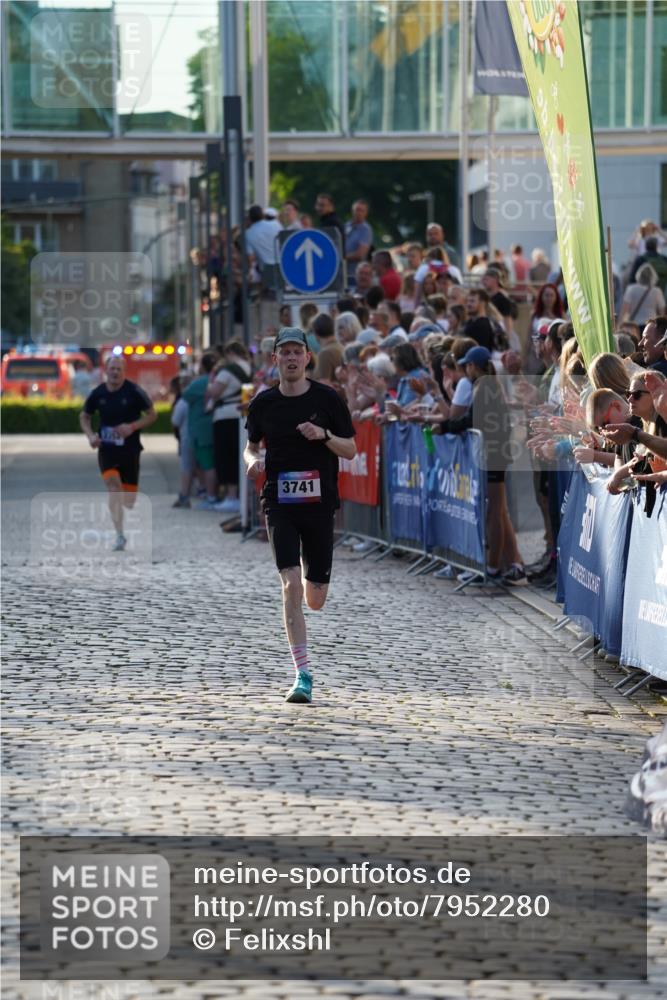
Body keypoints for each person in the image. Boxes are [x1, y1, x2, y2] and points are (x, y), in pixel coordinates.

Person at [244, 327, 356, 704]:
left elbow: (352, 449)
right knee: (290, 582)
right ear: (274, 359)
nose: (291, 358)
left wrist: (323, 435)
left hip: (320, 504)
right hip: (278, 501)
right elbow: (249, 447)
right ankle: (302, 674)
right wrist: (253, 461)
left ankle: (315, 578)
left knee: (316, 598)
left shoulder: (328, 399)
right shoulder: (263, 404)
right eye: (284, 352)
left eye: (297, 352)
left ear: (308, 358)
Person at [80, 354, 157, 551]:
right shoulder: (98, 393)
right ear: (106, 370)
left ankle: (123, 512)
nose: (114, 372)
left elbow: (152, 415)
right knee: (113, 486)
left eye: (118, 369)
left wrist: (132, 426)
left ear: (124, 371)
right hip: (107, 448)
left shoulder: (134, 391)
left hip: (130, 449)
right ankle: (120, 535)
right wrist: (90, 436)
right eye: (111, 369)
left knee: (128, 501)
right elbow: (85, 416)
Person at [207, 341, 253, 514]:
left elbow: (214, 392)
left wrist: (211, 382)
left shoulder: (227, 371)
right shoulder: (249, 368)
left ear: (229, 353)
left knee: (226, 456)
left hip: (225, 415)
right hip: (241, 416)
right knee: (239, 455)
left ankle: (231, 496)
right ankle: (239, 495)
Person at [182, 353, 219, 509]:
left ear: (202, 366)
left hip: (200, 430)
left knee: (207, 465)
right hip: (213, 426)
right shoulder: (218, 380)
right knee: (209, 463)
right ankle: (210, 494)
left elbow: (185, 395)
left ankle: (210, 497)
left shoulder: (199, 383)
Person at [170, 374, 196, 508]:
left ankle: (184, 495)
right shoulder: (200, 399)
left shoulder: (183, 401)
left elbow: (175, 421)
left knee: (186, 467)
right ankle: (202, 491)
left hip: (186, 438)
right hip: (201, 437)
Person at [344, 200, 373, 285]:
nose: (359, 213)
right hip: (343, 273)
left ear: (366, 213)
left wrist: (342, 258)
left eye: (362, 210)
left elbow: (360, 254)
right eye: (357, 210)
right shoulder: (347, 226)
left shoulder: (365, 230)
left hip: (354, 274)